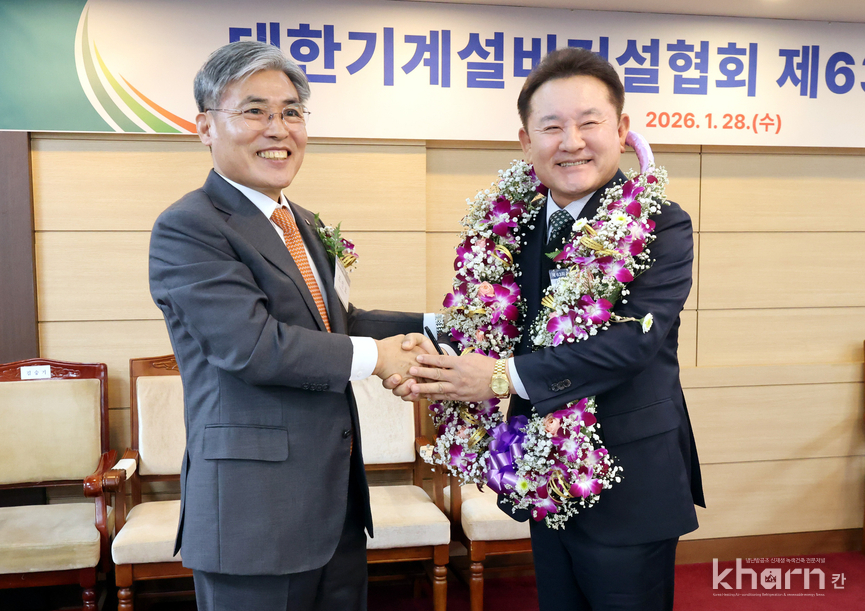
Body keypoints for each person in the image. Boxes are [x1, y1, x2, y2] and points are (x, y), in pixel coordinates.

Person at [394, 48, 705, 610]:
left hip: (630, 482)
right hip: (542, 474)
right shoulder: (512, 225)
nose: (572, 142)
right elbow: (486, 324)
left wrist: (499, 377)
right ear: (526, 140)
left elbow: (629, 346)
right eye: (552, 126)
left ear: (621, 130)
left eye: (589, 122)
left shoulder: (659, 223)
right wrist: (392, 343)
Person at [149, 40, 435, 611]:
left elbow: (338, 323)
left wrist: (441, 324)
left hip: (334, 507)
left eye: (291, 112)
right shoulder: (190, 227)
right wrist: (381, 357)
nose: (277, 129)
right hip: (254, 516)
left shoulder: (300, 221)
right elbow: (252, 346)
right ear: (205, 127)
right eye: (254, 111)